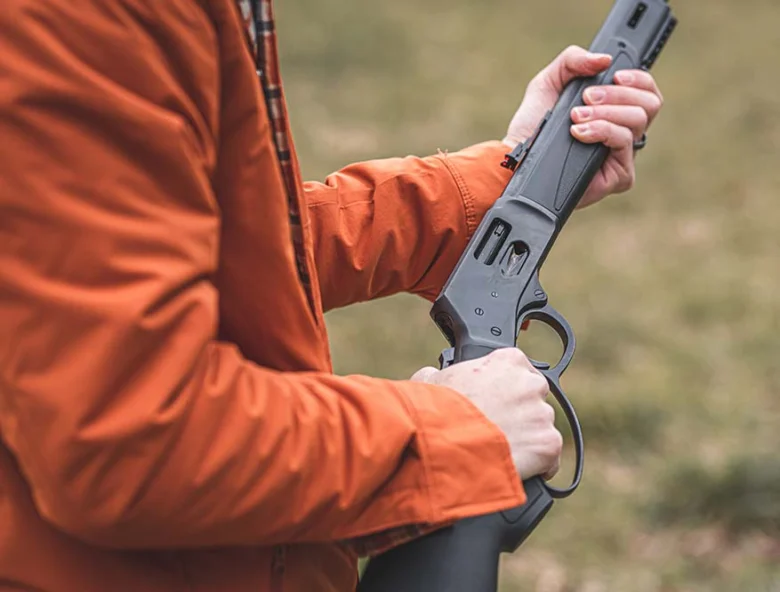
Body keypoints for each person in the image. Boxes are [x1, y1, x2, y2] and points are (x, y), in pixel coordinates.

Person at [0, 1, 664, 591]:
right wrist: (452, 429)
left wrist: (517, 173)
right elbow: (130, 436)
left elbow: (218, 243)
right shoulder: (86, 17)